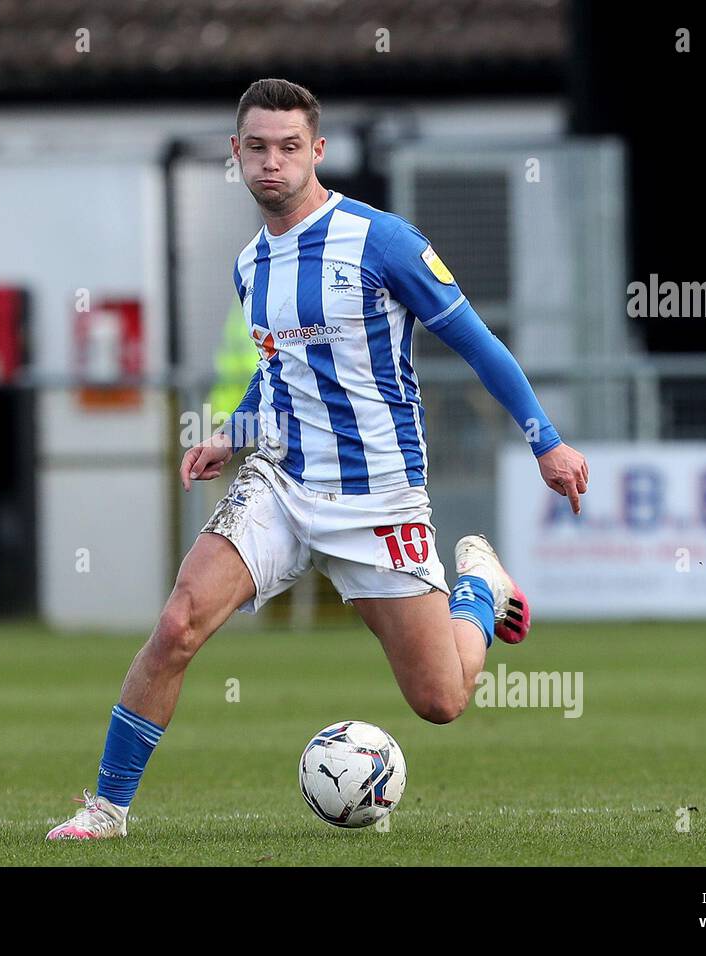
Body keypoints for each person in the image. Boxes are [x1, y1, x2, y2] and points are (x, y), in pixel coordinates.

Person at [47, 78, 588, 840]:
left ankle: (478, 587)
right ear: (236, 155)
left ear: (318, 152)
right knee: (177, 625)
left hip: (379, 500)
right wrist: (228, 435)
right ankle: (105, 809)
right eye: (258, 148)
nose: (273, 163)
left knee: (441, 700)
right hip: (283, 483)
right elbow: (278, 378)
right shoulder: (249, 266)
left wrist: (546, 440)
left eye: (290, 148)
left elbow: (479, 343)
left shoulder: (382, 242)